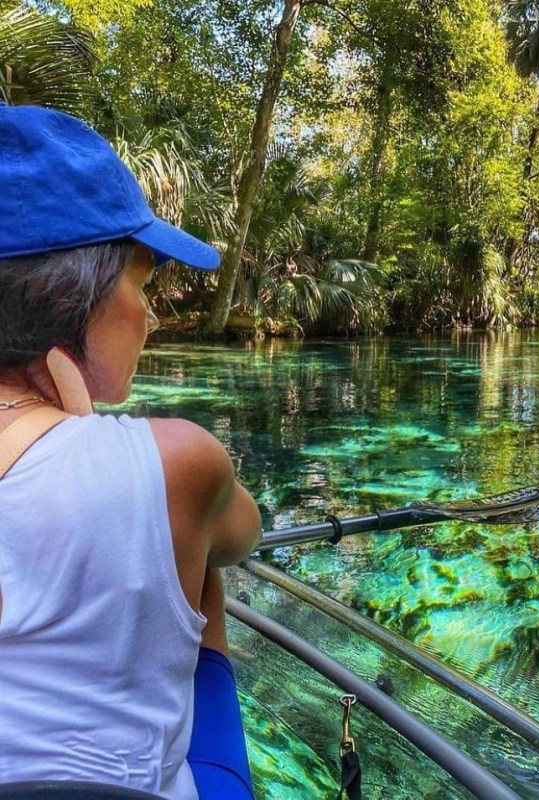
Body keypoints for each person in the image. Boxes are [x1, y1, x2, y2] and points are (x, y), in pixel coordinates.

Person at [0, 103, 262, 799]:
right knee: (202, 576)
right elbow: (245, 534)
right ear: (72, 295)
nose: (148, 314)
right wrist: (91, 442)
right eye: (140, 282)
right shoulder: (179, 461)